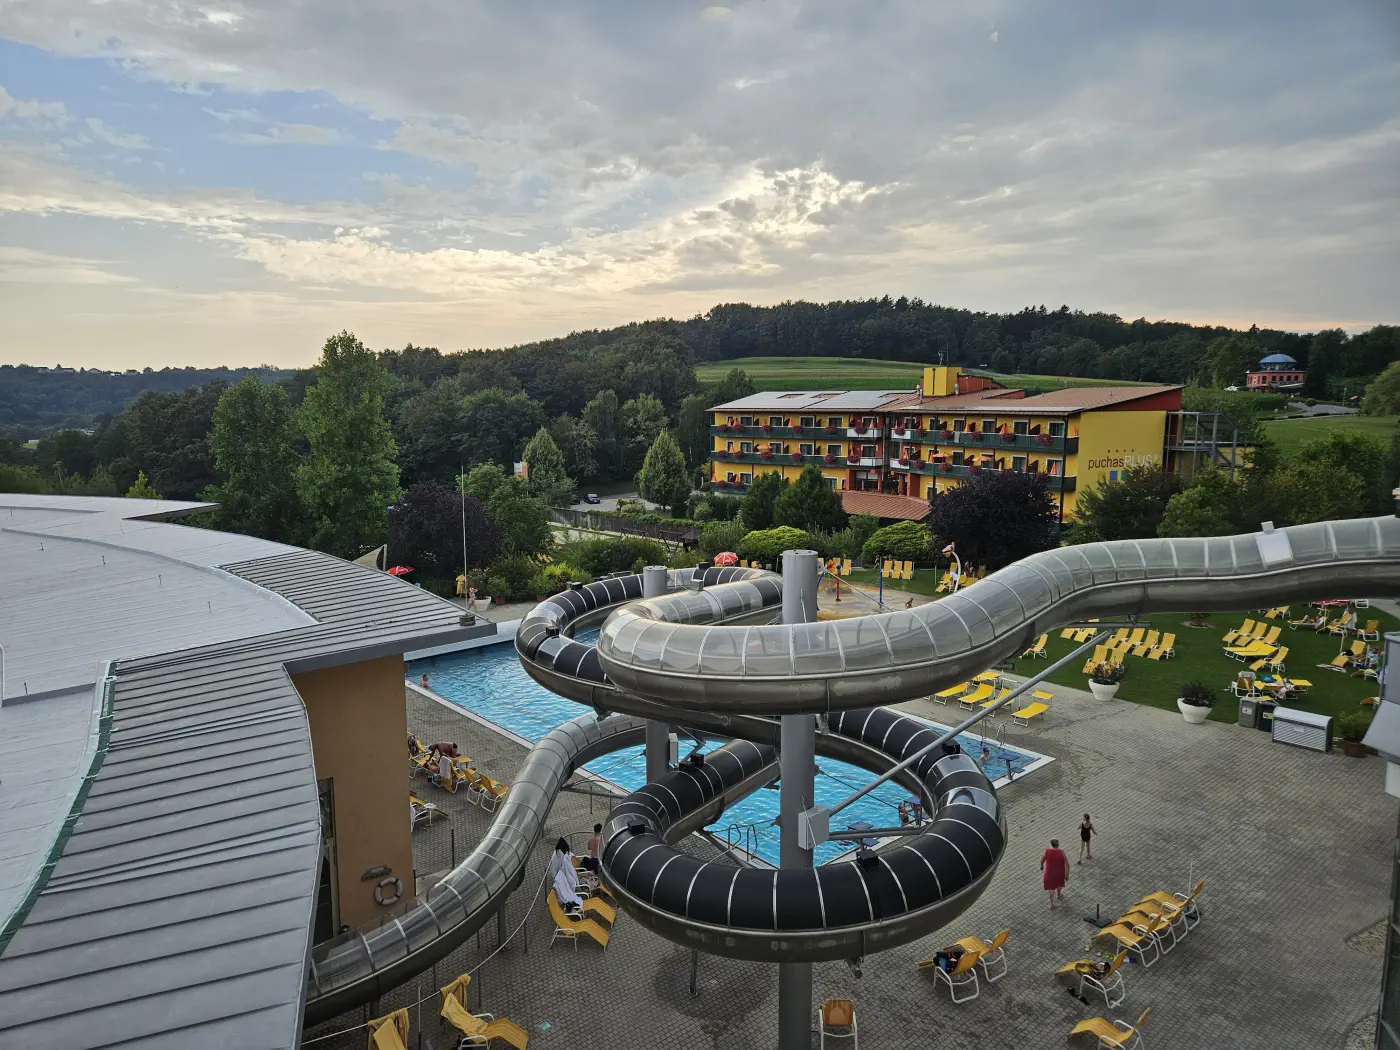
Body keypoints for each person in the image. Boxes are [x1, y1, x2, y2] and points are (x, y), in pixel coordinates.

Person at [550, 838, 583, 913]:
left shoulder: (560, 855)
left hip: (563, 875)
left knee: (567, 888)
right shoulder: (563, 855)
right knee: (568, 888)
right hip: (563, 875)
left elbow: (555, 868)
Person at [1042, 838, 1068, 908]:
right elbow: (1067, 864)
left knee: (1051, 889)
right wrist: (1067, 875)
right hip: (1059, 873)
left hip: (1050, 874)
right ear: (1058, 844)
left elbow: (1042, 859)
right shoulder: (1062, 852)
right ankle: (1059, 895)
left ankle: (1051, 904)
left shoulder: (1047, 851)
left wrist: (1041, 865)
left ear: (1051, 844)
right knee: (1059, 884)